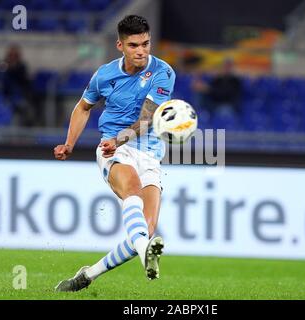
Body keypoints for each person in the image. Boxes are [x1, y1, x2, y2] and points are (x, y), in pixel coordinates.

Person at [53, 15, 176, 292]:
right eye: (134, 45)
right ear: (120, 45)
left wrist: (121, 139)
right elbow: (83, 107)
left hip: (149, 153)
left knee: (145, 229)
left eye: (146, 43)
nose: (142, 50)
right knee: (131, 190)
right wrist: (69, 143)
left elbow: (147, 119)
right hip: (114, 150)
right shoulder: (105, 74)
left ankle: (87, 275)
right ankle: (147, 252)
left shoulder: (163, 72)